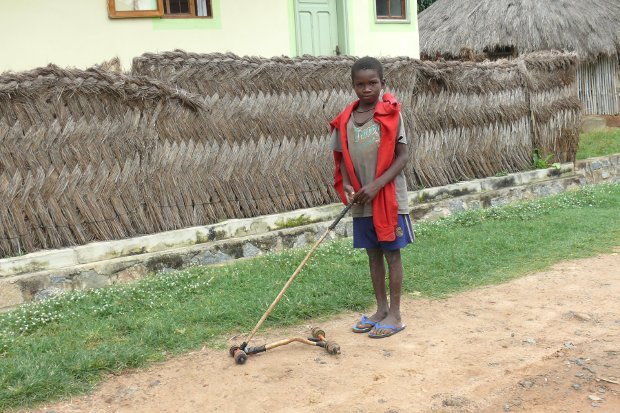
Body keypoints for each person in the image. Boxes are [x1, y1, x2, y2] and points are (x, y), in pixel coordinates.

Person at [330, 56, 413, 338]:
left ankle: (396, 314)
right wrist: (350, 189)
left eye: (372, 83)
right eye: (360, 84)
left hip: (388, 196)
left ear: (382, 83)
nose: (366, 89)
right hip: (362, 200)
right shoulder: (346, 120)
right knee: (373, 254)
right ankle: (380, 309)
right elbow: (340, 158)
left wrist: (377, 185)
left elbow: (402, 157)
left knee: (391, 253)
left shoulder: (391, 114)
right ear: (353, 86)